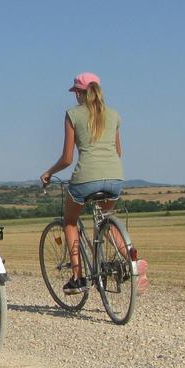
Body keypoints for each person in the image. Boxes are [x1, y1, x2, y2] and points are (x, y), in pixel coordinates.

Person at [40, 72, 124, 295]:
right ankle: (132, 259)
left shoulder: (72, 115)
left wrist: (49, 172)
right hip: (115, 177)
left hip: (86, 179)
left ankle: (78, 277)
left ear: (79, 93)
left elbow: (67, 159)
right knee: (106, 221)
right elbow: (118, 152)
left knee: (69, 222)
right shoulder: (113, 115)